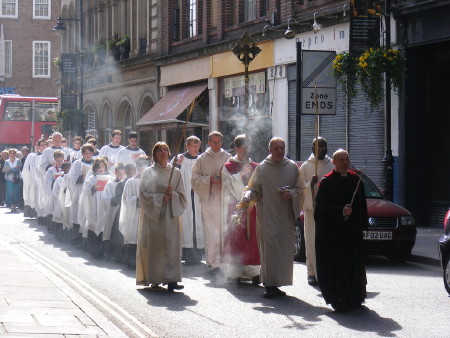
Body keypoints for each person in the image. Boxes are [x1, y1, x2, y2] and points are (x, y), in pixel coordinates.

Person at [239, 137, 301, 298]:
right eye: (277, 149)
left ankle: (278, 282)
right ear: (270, 150)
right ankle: (269, 284)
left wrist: (291, 193)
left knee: (283, 252)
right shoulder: (262, 168)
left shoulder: (292, 167)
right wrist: (247, 196)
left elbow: (301, 189)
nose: (280, 151)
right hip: (267, 216)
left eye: (282, 148)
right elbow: (253, 188)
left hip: (285, 217)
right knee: (270, 251)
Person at [314, 149, 368, 312]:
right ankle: (339, 297)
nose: (345, 163)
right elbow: (321, 210)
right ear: (334, 162)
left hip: (351, 233)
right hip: (334, 235)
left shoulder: (355, 180)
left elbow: (362, 206)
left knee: (353, 264)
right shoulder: (327, 182)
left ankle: (354, 296)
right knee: (337, 266)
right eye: (342, 160)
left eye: (347, 159)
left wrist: (362, 225)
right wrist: (340, 211)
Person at [136, 142, 186, 292]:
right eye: (159, 150)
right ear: (155, 154)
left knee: (171, 247)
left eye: (165, 149)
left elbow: (183, 196)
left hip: (171, 215)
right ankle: (155, 278)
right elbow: (143, 195)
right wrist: (159, 197)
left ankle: (172, 280)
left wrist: (173, 195)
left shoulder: (176, 173)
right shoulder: (148, 172)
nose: (163, 152)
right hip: (155, 216)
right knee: (156, 247)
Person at [221, 134, 260, 284]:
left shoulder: (256, 167)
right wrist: (241, 174)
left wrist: (252, 199)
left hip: (252, 208)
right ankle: (235, 272)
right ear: (236, 148)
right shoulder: (227, 167)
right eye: (244, 149)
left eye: (249, 148)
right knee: (236, 238)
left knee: (253, 240)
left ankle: (254, 273)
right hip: (235, 207)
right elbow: (227, 186)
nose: (247, 152)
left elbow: (259, 187)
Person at [191, 131, 231, 274]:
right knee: (211, 233)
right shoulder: (202, 159)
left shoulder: (228, 157)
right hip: (209, 201)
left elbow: (233, 178)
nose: (216, 145)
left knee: (225, 232)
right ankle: (214, 264)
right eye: (213, 142)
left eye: (219, 142)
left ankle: (225, 262)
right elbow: (194, 180)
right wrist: (209, 179)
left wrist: (223, 179)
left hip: (224, 200)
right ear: (208, 143)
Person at [299, 137, 335, 286]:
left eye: (324, 147)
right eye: (318, 148)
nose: (322, 150)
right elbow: (299, 188)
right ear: (312, 149)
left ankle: (327, 271)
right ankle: (312, 272)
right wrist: (310, 184)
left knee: (328, 242)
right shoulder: (306, 167)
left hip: (328, 211)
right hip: (311, 210)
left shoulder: (332, 165)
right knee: (312, 241)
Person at [174, 135, 205, 265]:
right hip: (185, 195)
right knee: (187, 223)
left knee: (198, 223)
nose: (196, 148)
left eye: (198, 146)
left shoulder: (201, 159)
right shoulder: (181, 159)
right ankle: (186, 253)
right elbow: (174, 174)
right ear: (187, 146)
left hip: (198, 197)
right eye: (194, 146)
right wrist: (177, 164)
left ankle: (198, 254)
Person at [119, 156, 150, 268]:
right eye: (143, 167)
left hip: (148, 214)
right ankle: (131, 261)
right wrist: (138, 200)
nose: (146, 169)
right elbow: (127, 200)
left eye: (148, 166)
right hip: (134, 214)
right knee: (134, 236)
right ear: (138, 167)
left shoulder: (152, 181)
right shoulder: (131, 182)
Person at [80, 157, 114, 258]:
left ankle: (105, 250)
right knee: (94, 226)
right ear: (95, 168)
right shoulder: (91, 179)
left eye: (103, 167)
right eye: (99, 167)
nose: (101, 169)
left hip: (105, 204)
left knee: (105, 226)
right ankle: (95, 250)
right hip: (94, 205)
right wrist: (93, 189)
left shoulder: (110, 178)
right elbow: (85, 192)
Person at [67, 144, 95, 244]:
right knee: (78, 212)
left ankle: (86, 239)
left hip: (90, 192)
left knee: (88, 213)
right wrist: (80, 178)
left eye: (90, 153)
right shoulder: (77, 164)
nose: (88, 155)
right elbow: (70, 178)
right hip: (79, 190)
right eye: (86, 153)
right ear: (82, 154)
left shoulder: (95, 164)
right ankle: (76, 237)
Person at [102, 163, 126, 259]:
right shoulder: (110, 184)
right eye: (119, 174)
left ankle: (120, 254)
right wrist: (113, 200)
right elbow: (105, 198)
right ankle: (109, 252)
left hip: (122, 212)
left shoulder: (126, 184)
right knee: (110, 231)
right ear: (115, 173)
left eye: (123, 174)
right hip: (112, 211)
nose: (121, 176)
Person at [43, 150, 66, 232]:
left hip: (64, 194)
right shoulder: (51, 170)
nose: (59, 162)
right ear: (54, 160)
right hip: (54, 194)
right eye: (57, 161)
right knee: (52, 209)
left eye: (60, 160)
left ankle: (62, 229)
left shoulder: (66, 168)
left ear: (63, 159)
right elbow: (46, 182)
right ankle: (52, 228)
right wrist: (54, 181)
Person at [52, 162, 71, 241]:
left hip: (69, 202)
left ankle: (67, 236)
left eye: (70, 168)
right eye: (66, 168)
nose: (68, 170)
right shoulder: (59, 179)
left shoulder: (71, 179)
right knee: (60, 219)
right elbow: (55, 191)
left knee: (68, 218)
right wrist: (62, 193)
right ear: (62, 169)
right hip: (60, 201)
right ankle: (59, 235)